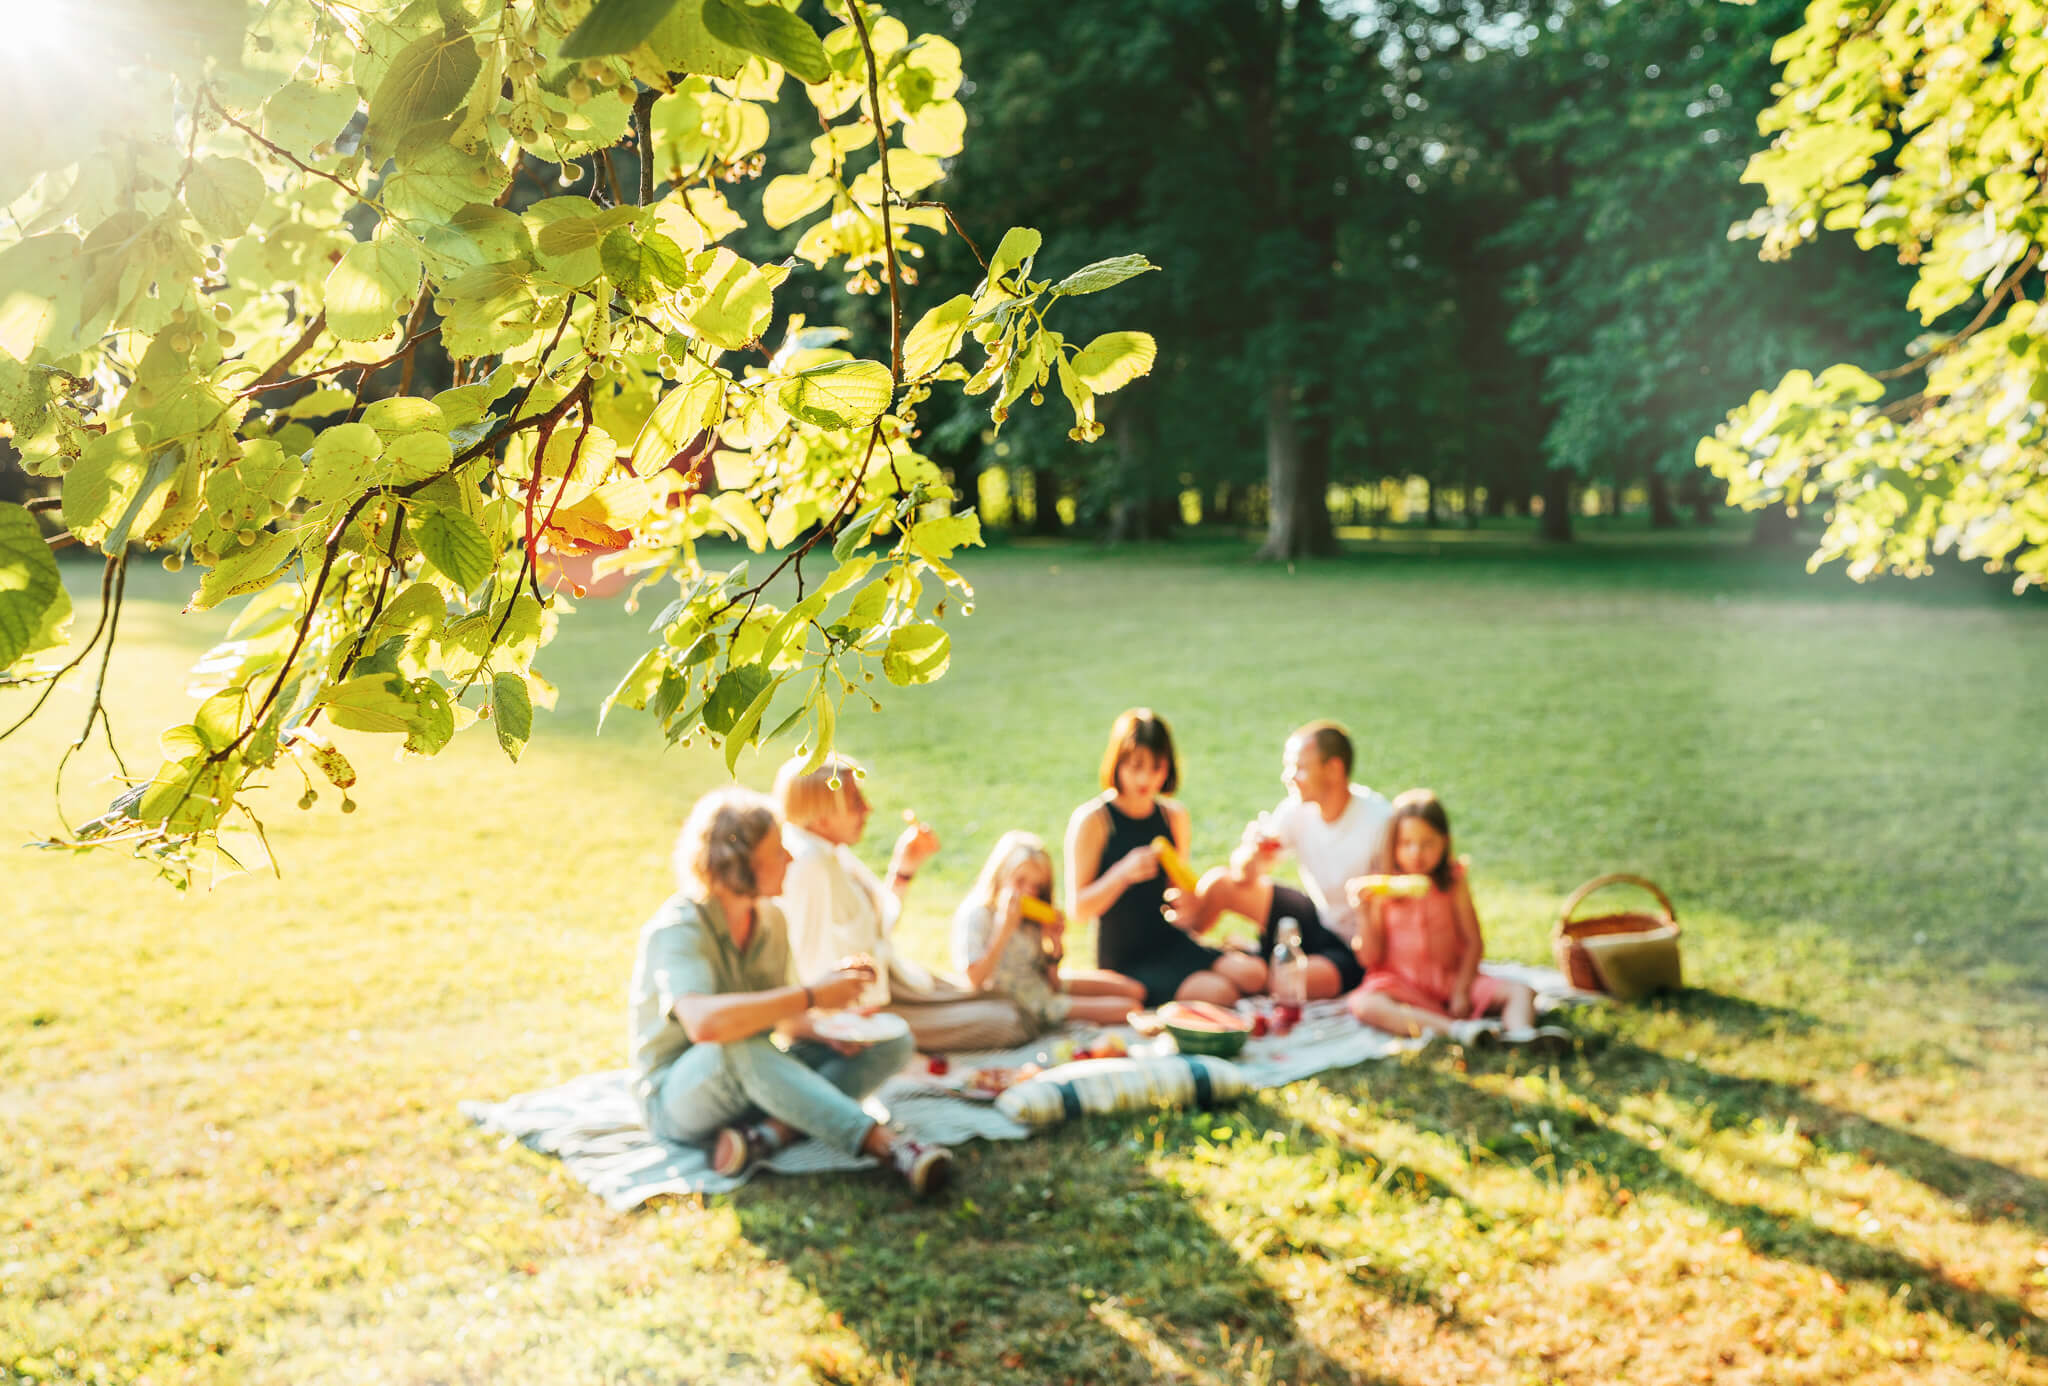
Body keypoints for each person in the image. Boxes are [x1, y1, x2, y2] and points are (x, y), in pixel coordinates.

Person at [628, 786, 953, 1194]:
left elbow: (781, 1020)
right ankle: (889, 1147)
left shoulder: (771, 921)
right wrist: (813, 995)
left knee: (892, 1039)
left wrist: (830, 1031)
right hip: (677, 1097)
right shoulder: (678, 927)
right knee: (737, 1045)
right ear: (740, 864)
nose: (791, 857)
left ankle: (771, 1133)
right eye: (778, 850)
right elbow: (704, 1025)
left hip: (754, 1074)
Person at [775, 754, 1036, 1052]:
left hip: (893, 982)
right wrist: (843, 1028)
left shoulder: (831, 851)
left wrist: (905, 868)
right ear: (820, 817)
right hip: (867, 1006)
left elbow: (875, 926)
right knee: (1010, 1021)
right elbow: (806, 961)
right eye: (854, 802)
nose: (868, 808)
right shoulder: (810, 864)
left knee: (1004, 1002)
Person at [1164, 720, 1386, 998]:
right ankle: (1177, 953)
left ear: (1334, 769)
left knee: (1282, 981)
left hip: (1352, 946)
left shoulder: (1379, 822)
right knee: (1218, 883)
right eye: (1288, 766)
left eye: (1300, 768)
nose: (1288, 776)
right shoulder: (1297, 809)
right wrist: (1252, 853)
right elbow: (1243, 876)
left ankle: (1240, 961)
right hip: (1314, 917)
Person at [1064, 708, 1266, 1007]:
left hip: (1168, 939)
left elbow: (1178, 895)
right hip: (1125, 956)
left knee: (1254, 975)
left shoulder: (1173, 816)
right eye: (1136, 766)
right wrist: (1122, 874)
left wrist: (1187, 904)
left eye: (1156, 767)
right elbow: (1078, 909)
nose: (1146, 777)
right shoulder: (1093, 820)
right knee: (1221, 993)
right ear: (1117, 763)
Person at [1343, 789, 1559, 1046]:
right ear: (1393, 845)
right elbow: (1369, 957)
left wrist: (1461, 991)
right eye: (1406, 843)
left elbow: (1473, 942)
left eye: (1427, 843)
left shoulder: (1453, 881)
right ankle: (1459, 1031)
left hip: (1451, 979)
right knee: (1364, 1004)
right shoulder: (1382, 890)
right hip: (1400, 984)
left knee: (1521, 991)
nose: (1416, 853)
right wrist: (1363, 912)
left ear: (1444, 842)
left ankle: (1522, 1035)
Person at [951, 831, 1148, 1030]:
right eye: (1020, 881)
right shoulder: (977, 914)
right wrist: (1004, 929)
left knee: (1136, 991)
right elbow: (973, 980)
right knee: (1131, 1008)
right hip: (1027, 1001)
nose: (1028, 892)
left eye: (1036, 886)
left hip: (1044, 986)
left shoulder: (1030, 918)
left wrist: (1054, 944)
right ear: (1001, 874)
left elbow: (1053, 983)